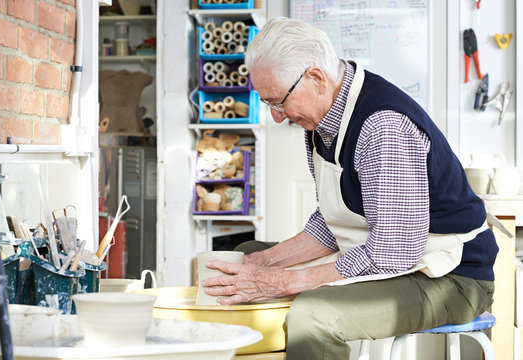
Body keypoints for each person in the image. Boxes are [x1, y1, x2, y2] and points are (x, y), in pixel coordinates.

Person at [202, 17, 498, 359]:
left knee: (315, 316)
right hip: (392, 255)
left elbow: (393, 253)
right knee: (243, 256)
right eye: (268, 103)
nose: (277, 117)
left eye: (278, 101)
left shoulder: (382, 126)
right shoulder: (321, 119)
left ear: (315, 78)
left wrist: (285, 282)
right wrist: (263, 263)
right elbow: (333, 221)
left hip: (449, 276)